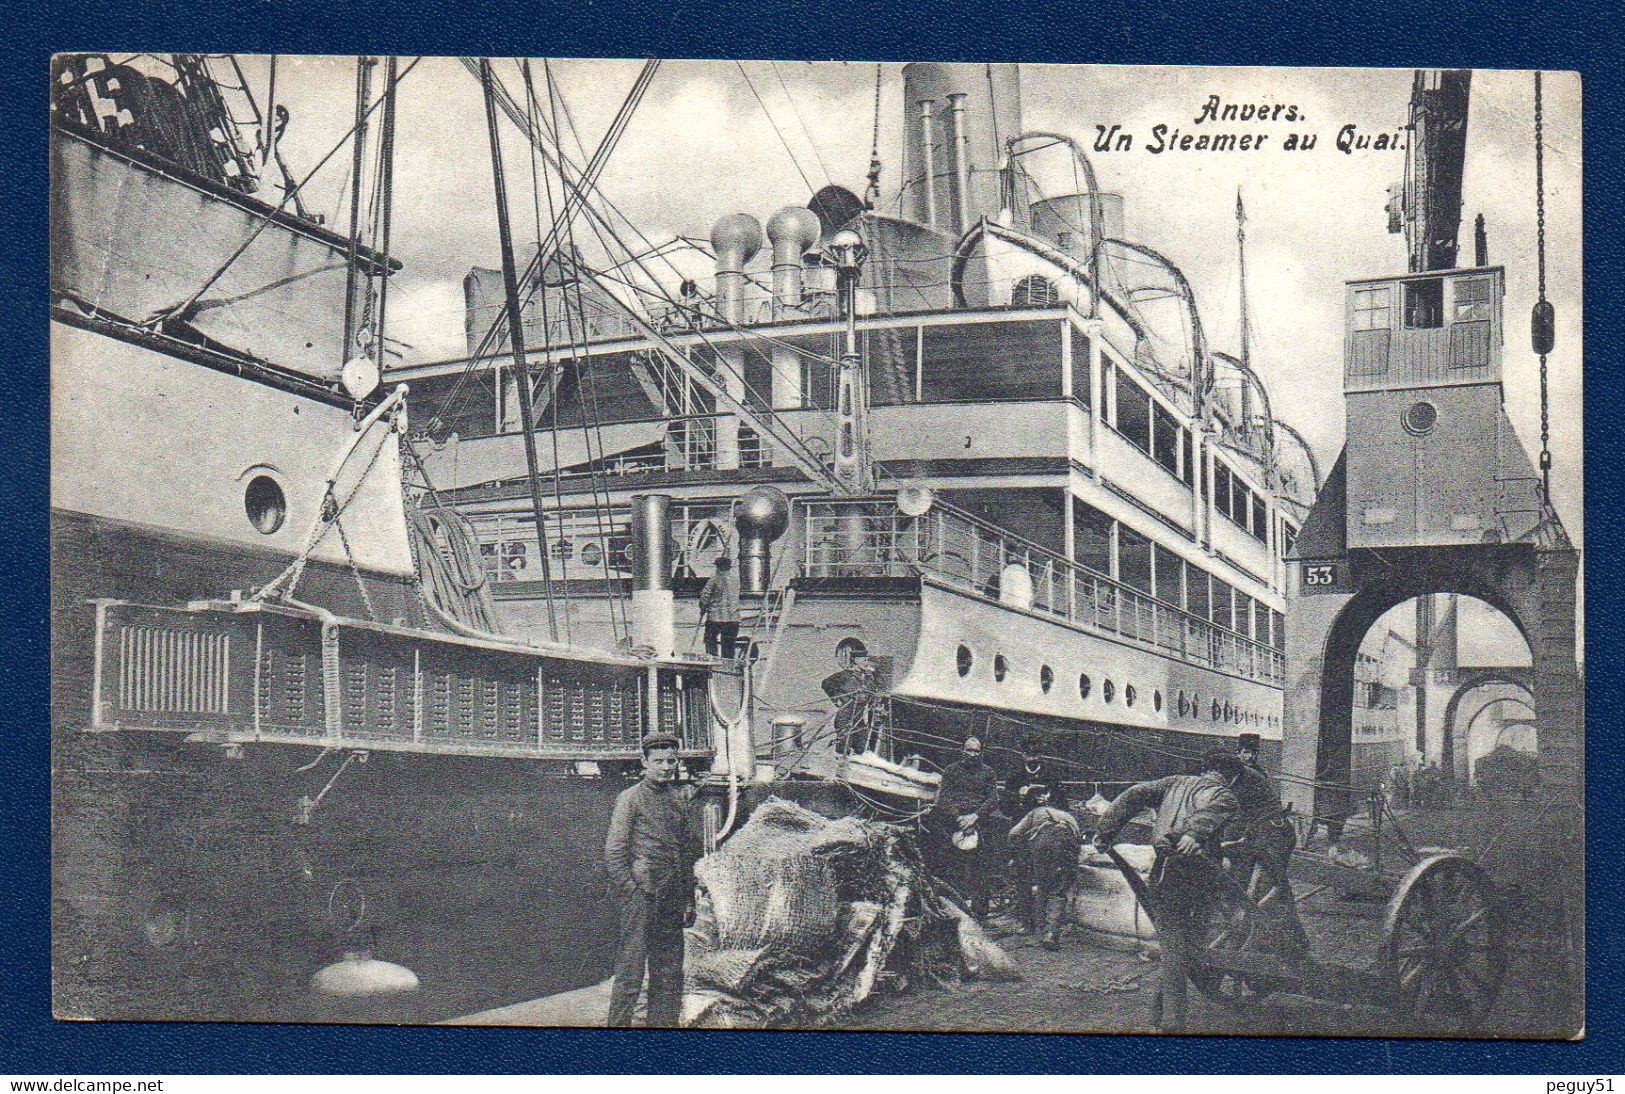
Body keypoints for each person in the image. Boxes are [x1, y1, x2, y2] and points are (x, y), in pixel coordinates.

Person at [1094, 751, 1243, 1033]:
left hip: (1162, 871)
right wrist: (1193, 835)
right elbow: (1209, 814)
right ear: (1231, 777)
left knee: (1173, 944)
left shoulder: (1173, 783)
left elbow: (1134, 794)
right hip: (1195, 875)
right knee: (1180, 946)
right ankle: (1171, 1022)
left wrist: (1105, 831)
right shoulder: (1225, 795)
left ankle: (1161, 1017)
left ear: (1205, 768)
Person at [604, 731, 702, 1028]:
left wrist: (688, 897)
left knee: (669, 974)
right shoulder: (630, 799)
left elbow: (686, 852)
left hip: (671, 898)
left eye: (671, 760)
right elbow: (614, 851)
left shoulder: (678, 799)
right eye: (658, 761)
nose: (665, 766)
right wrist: (631, 891)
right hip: (641, 898)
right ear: (644, 762)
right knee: (630, 975)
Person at [1232, 733, 1308, 955]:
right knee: (1274, 887)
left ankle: (1281, 942)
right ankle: (1294, 939)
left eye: (1252, 752)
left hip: (1271, 835)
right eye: (1245, 752)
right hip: (1263, 835)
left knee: (1271, 888)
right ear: (1238, 753)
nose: (1249, 756)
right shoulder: (1250, 774)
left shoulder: (1250, 775)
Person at [932, 735, 1001, 919]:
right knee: (951, 865)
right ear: (962, 750)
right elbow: (944, 797)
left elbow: (992, 799)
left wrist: (975, 816)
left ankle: (979, 913)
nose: (972, 754)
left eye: (976, 751)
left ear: (981, 753)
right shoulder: (951, 771)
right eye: (969, 750)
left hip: (980, 823)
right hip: (954, 822)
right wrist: (959, 817)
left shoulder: (988, 773)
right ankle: (951, 909)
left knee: (981, 868)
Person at [1008, 785, 1081, 949]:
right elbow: (1077, 841)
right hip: (1067, 846)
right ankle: (1051, 934)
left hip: (1043, 844)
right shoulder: (1070, 816)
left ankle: (1039, 931)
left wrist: (1016, 856)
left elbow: (1013, 834)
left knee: (1043, 888)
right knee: (1058, 890)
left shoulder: (1035, 813)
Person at [698, 555, 740, 659]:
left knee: (710, 640)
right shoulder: (736, 581)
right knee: (728, 645)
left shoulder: (713, 580)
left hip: (715, 618)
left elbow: (704, 597)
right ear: (729, 567)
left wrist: (702, 608)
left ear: (717, 567)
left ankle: (714, 662)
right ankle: (728, 666)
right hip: (733, 618)